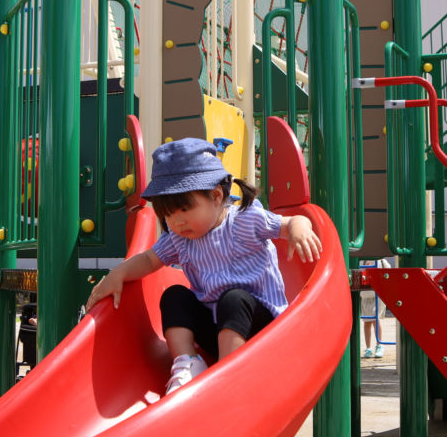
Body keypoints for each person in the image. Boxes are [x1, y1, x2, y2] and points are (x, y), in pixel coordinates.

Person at [86, 138, 322, 395]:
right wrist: (118, 273)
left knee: (232, 299)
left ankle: (229, 373)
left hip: (261, 327)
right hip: (216, 328)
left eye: (184, 209)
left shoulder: (245, 219)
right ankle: (188, 363)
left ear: (217, 195)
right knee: (174, 296)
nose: (176, 222)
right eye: (168, 215)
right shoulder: (180, 237)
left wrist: (300, 229)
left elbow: (288, 223)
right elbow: (149, 259)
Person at [360, 258, 391, 358]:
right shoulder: (363, 260)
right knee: (367, 321)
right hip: (366, 294)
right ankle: (368, 347)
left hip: (377, 294)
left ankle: (379, 345)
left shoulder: (381, 261)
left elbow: (388, 272)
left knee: (375, 320)